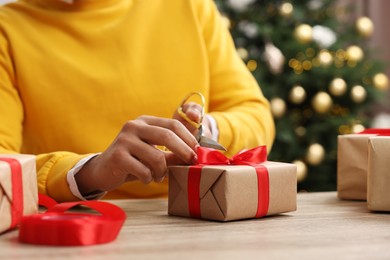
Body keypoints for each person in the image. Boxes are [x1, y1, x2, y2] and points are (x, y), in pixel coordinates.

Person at [0, 0, 275, 202]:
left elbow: (256, 117)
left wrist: (205, 133)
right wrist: (90, 172)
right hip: (70, 233)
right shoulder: (7, 31)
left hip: (201, 219)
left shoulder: (189, 6)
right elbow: (3, 163)